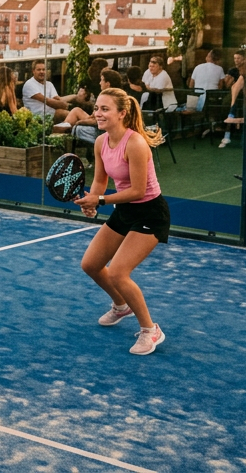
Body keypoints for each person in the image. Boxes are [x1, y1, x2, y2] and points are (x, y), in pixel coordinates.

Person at [75, 88, 169, 356]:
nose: (98, 113)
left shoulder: (135, 143)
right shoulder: (100, 142)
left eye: (105, 109)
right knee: (91, 264)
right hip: (125, 211)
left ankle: (151, 331)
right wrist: (92, 201)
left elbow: (139, 191)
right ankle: (120, 305)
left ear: (122, 113)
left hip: (150, 213)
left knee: (117, 272)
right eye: (96, 108)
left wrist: (101, 201)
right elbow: (101, 181)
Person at [220, 51, 246, 148]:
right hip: (234, 97)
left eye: (238, 58)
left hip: (244, 97)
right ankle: (227, 136)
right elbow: (227, 85)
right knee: (231, 106)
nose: (236, 60)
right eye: (235, 58)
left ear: (244, 59)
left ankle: (228, 136)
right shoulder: (232, 70)